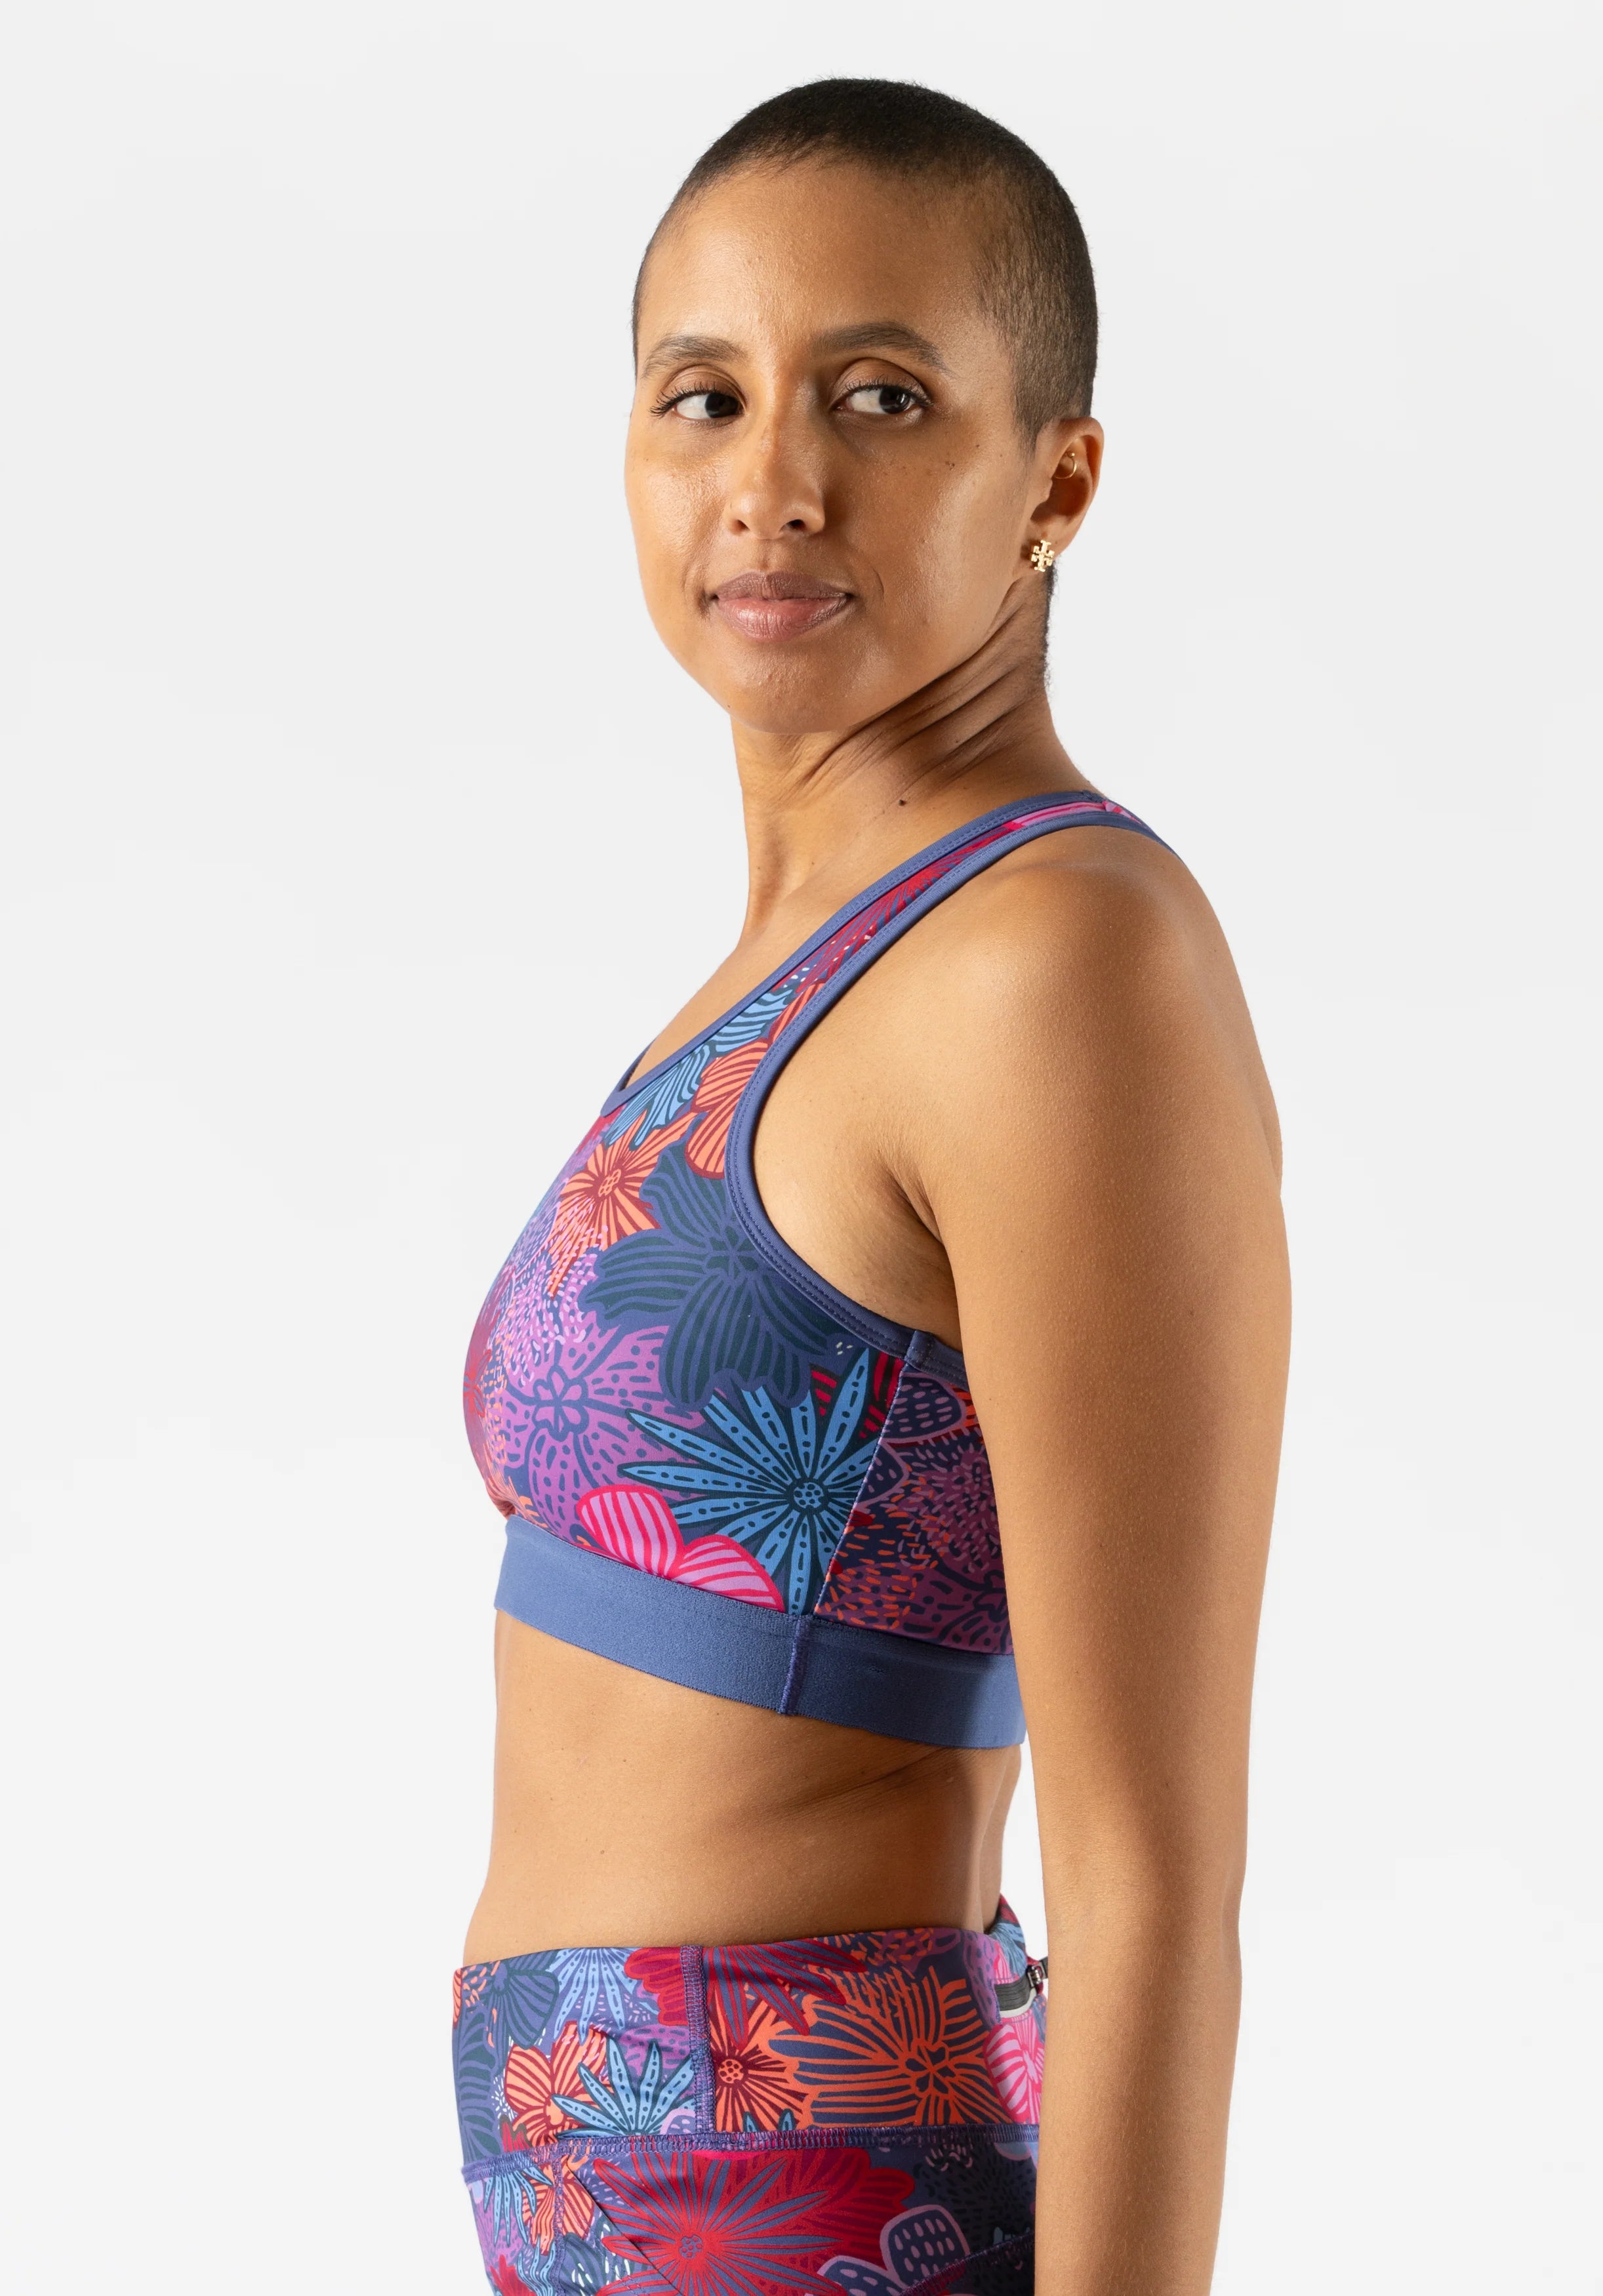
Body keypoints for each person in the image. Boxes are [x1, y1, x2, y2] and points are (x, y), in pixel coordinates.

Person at [455, 79, 1288, 2296]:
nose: (774, 483)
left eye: (881, 397)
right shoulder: (783, 972)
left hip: (821, 2222)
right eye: (704, 395)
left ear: (1056, 481)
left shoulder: (1058, 959)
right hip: (628, 2224)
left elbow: (1149, 1877)